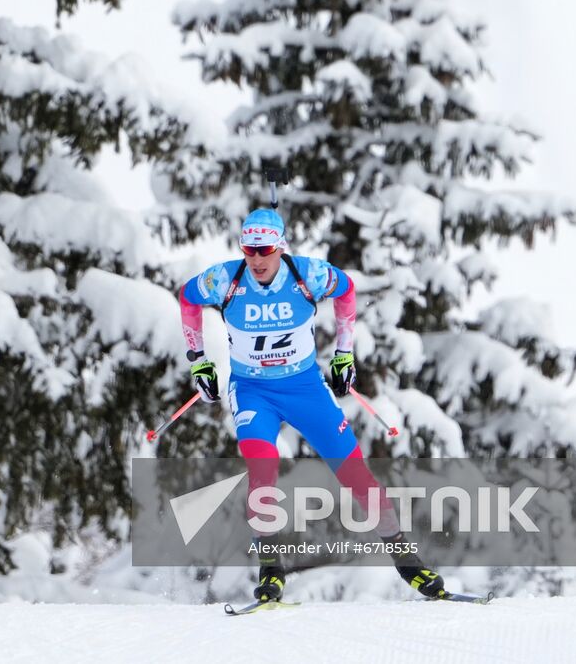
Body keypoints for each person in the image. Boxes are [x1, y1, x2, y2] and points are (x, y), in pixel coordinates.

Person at [178, 207, 445, 604]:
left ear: (280, 246)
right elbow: (187, 298)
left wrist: (344, 353)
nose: (256, 259)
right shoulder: (225, 279)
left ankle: (408, 564)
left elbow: (347, 290)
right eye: (248, 250)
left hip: (305, 388)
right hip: (253, 391)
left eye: (264, 249)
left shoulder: (308, 275)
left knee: (356, 476)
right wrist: (198, 359)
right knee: (261, 467)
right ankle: (271, 570)